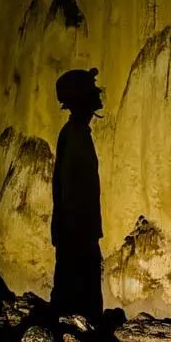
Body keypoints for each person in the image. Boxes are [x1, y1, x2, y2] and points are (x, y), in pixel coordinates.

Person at [51, 68, 104, 320]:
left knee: (73, 289)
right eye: (92, 89)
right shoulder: (74, 135)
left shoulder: (75, 133)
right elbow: (71, 190)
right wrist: (79, 232)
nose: (98, 92)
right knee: (77, 291)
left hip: (77, 231)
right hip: (77, 232)